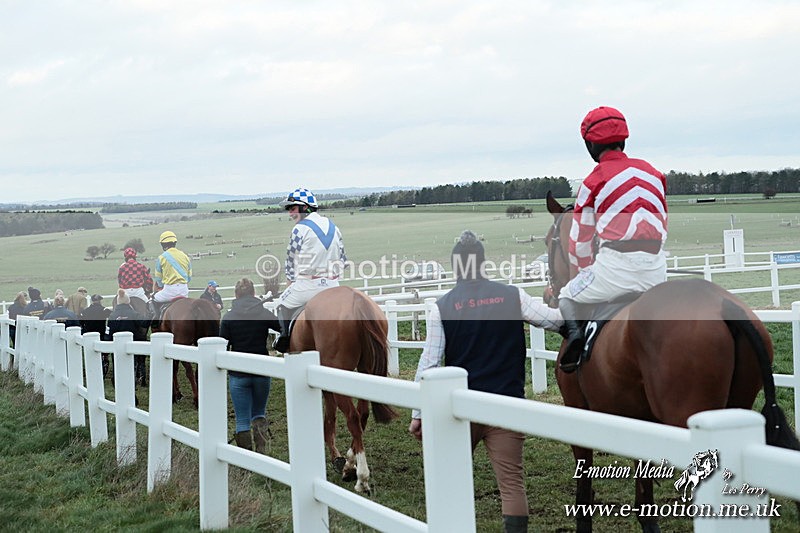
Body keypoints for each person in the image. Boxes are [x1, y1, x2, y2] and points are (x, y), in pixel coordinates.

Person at [408, 230, 563, 533]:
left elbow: (429, 361)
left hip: (461, 411)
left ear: (456, 266)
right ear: (482, 263)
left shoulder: (442, 306)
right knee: (511, 485)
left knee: (449, 479)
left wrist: (418, 413)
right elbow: (554, 321)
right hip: (506, 405)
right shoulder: (512, 295)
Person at [558, 106, 668, 373]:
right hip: (657, 270)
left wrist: (581, 274)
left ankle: (575, 341)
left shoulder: (594, 180)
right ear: (624, 139)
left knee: (565, 297)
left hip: (616, 269)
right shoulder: (654, 173)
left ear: (590, 144)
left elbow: (580, 244)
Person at [273, 187, 347, 352]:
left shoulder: (299, 228)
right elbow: (343, 260)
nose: (290, 213)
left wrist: (291, 281)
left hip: (308, 285)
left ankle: (284, 340)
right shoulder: (334, 226)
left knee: (281, 305)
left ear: (305, 207)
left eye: (292, 208)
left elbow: (291, 259)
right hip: (333, 285)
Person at [219, 278, 280, 452]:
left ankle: (246, 459)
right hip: (261, 371)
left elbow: (222, 344)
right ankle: (261, 453)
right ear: (253, 293)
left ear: (236, 294)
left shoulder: (229, 317)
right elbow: (283, 327)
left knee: (242, 419)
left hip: (238, 374)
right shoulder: (263, 313)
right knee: (259, 413)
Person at [107, 289, 151, 386]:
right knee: (132, 365)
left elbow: (109, 331)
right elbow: (144, 323)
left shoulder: (112, 315)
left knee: (117, 364)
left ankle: (116, 381)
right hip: (132, 343)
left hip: (117, 345)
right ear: (128, 301)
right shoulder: (133, 314)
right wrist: (150, 314)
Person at [149, 231, 192, 319]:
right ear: (175, 242)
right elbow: (189, 277)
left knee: (152, 299)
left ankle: (155, 322)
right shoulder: (185, 256)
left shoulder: (161, 258)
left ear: (163, 245)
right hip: (184, 291)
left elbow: (159, 279)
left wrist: (161, 286)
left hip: (169, 291)